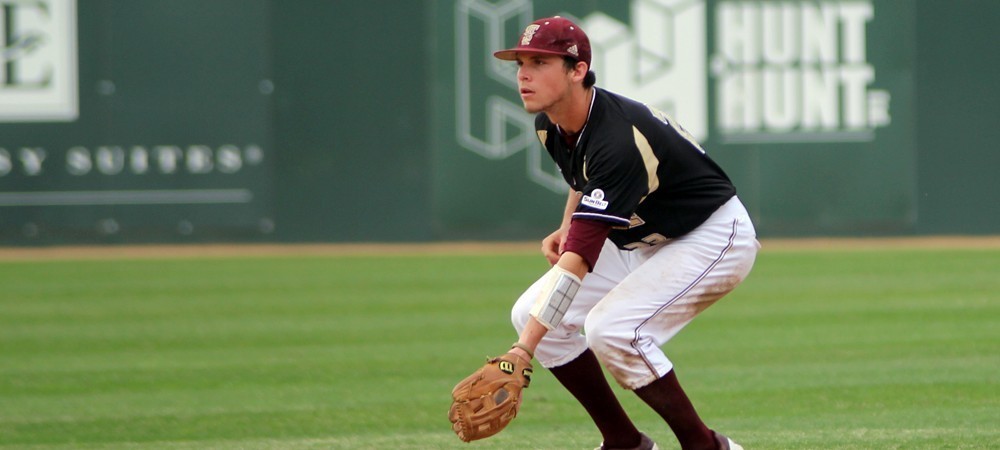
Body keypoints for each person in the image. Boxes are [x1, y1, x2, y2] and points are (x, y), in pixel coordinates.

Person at [492, 16, 759, 450]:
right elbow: (582, 178)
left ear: (577, 70)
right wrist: (566, 224)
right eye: (520, 62)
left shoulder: (617, 138)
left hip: (709, 235)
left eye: (540, 62)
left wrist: (523, 350)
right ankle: (624, 442)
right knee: (530, 313)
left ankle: (706, 446)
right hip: (639, 237)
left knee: (612, 330)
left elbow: (578, 260)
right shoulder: (550, 123)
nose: (524, 74)